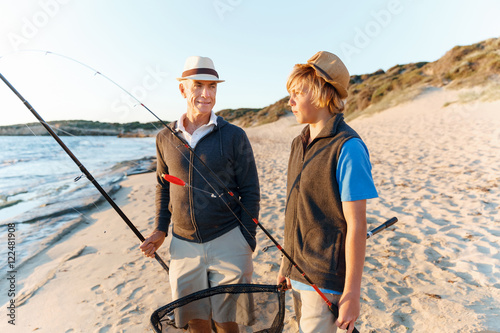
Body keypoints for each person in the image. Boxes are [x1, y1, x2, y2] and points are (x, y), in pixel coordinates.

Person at [140, 56, 260, 333]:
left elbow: (251, 190)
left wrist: (246, 238)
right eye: (198, 86)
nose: (206, 94)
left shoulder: (234, 135)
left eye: (212, 87)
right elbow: (162, 186)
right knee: (195, 321)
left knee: (228, 320)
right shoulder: (164, 137)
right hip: (183, 244)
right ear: (183, 90)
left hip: (229, 238)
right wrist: (160, 230)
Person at [277, 51, 378, 333]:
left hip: (325, 280)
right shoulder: (299, 144)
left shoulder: (349, 148)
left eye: (298, 93)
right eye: (290, 94)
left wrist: (351, 294)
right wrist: (286, 265)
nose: (290, 101)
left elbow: (357, 225)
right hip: (297, 273)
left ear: (322, 93)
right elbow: (295, 211)